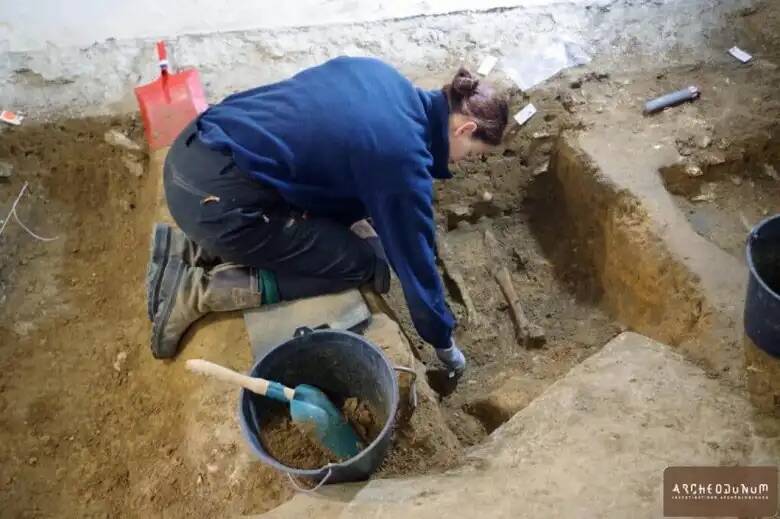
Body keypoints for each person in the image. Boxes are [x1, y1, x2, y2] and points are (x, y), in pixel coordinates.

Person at [146, 57, 509, 375]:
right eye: (473, 154)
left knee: (334, 224)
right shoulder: (403, 159)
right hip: (220, 206)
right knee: (361, 263)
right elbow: (415, 262)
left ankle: (189, 250)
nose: (464, 163)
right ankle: (198, 292)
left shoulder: (380, 75)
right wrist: (443, 342)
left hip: (192, 154)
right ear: (465, 130)